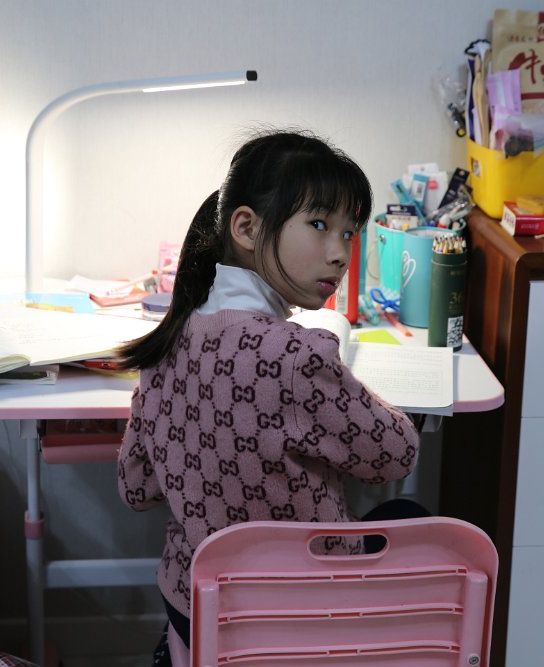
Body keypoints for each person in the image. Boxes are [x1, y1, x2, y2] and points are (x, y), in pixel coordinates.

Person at [116, 128, 421, 663]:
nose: (340, 254)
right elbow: (397, 454)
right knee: (408, 513)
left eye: (349, 234)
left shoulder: (165, 345)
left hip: (195, 609)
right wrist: (336, 370)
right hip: (296, 614)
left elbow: (136, 487)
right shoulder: (297, 356)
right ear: (246, 228)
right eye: (319, 225)